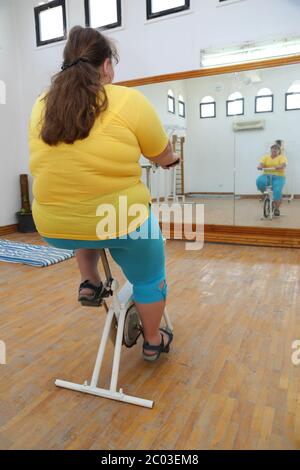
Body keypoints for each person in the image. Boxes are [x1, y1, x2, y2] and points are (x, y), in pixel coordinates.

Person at [29, 26, 180, 362]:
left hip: (54, 226)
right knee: (150, 276)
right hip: (121, 220)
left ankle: (89, 281)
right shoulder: (128, 99)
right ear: (107, 65)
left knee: (86, 215)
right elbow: (161, 152)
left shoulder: (42, 104)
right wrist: (171, 160)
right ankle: (154, 340)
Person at [256, 143, 287, 216]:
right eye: (273, 148)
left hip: (278, 176)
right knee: (259, 182)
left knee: (277, 190)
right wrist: (260, 166)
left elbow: (283, 164)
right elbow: (261, 164)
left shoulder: (282, 157)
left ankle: (276, 208)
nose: (274, 150)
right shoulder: (266, 157)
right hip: (266, 175)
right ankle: (266, 195)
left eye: (276, 149)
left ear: (279, 151)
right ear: (271, 150)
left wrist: (279, 166)